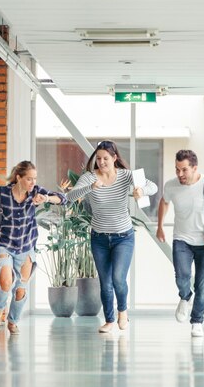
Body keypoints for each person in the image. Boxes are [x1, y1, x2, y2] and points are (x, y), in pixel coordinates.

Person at [66, 140, 158, 333]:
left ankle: (122, 312)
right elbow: (71, 197)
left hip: (123, 237)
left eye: (105, 158)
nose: (101, 162)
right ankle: (109, 320)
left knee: (118, 278)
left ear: (114, 158)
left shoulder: (126, 176)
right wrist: (90, 187)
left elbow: (153, 187)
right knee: (105, 282)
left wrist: (140, 190)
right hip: (99, 238)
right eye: (98, 158)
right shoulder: (89, 178)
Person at [0, 160, 66, 334]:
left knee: (20, 290)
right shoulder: (1, 193)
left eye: (35, 179)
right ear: (18, 178)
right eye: (29, 179)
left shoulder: (36, 193)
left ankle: (13, 321)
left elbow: (62, 199)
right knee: (6, 282)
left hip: (26, 246)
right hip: (4, 244)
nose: (33, 183)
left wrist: (45, 198)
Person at [156, 150, 204, 337]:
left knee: (202, 287)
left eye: (184, 170)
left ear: (195, 168)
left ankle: (197, 321)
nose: (180, 174)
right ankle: (185, 297)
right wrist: (160, 226)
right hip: (182, 239)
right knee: (182, 276)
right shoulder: (171, 185)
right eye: (177, 169)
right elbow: (164, 202)